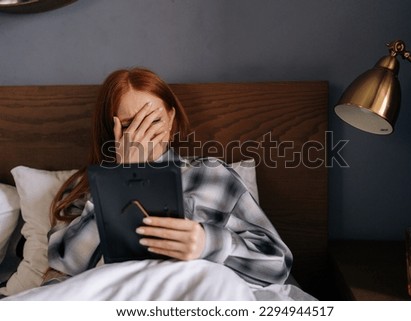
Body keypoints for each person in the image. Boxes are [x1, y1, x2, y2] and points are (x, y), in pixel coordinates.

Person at [46, 67, 293, 287]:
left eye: (153, 121)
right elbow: (65, 266)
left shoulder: (211, 175)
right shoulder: (86, 186)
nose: (144, 135)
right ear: (113, 131)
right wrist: (120, 178)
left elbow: (276, 264)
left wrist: (207, 242)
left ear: (171, 119)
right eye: (131, 125)